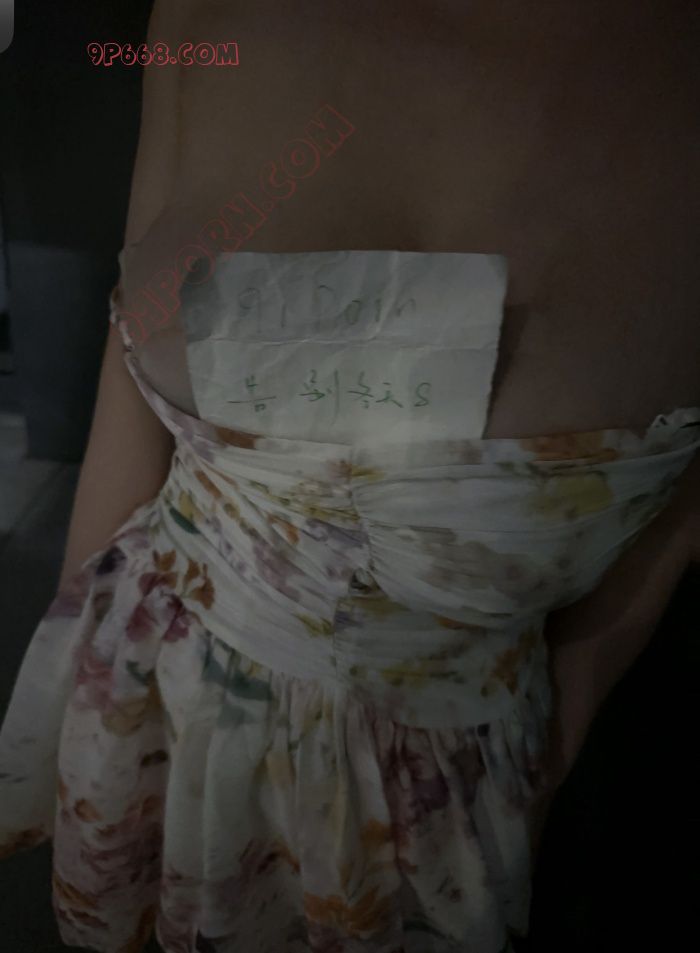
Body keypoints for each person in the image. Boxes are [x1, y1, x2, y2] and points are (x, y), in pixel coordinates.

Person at [1, 2, 699, 951]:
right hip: (142, 697)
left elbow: (679, 516)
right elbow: (129, 343)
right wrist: (77, 675)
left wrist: (553, 745)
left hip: (448, 800)